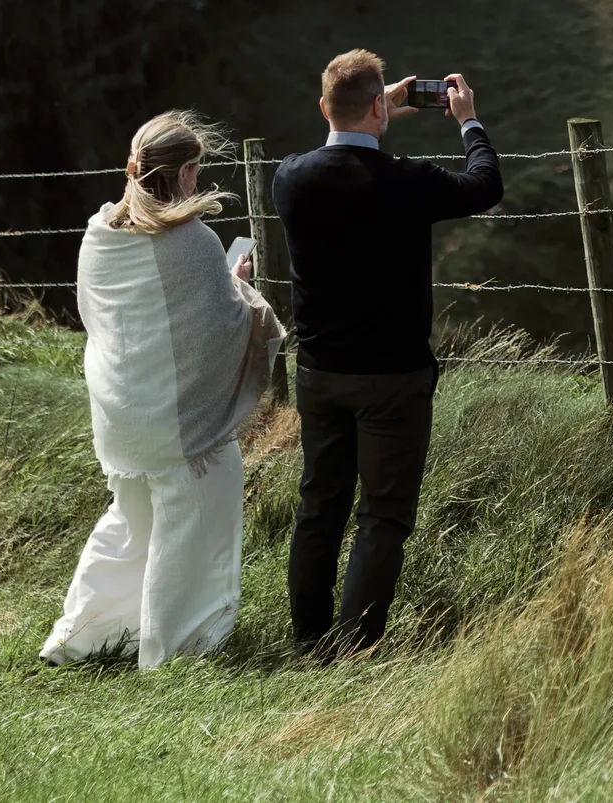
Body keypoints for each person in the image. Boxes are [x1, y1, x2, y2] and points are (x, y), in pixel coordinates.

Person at [274, 49, 501, 657]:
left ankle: (308, 641)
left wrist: (372, 114)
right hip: (392, 377)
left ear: (323, 108)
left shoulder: (290, 176)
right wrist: (467, 121)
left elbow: (334, 148)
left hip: (319, 371)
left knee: (319, 504)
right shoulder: (409, 182)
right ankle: (354, 650)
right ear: (380, 105)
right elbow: (485, 186)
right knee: (383, 514)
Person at [41, 111, 283, 670]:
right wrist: (240, 292)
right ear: (186, 172)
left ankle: (84, 637)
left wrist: (216, 294)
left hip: (122, 416)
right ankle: (179, 652)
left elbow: (106, 319)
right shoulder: (194, 243)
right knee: (199, 519)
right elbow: (221, 328)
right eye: (197, 170)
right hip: (177, 425)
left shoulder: (98, 235)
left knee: (129, 526)